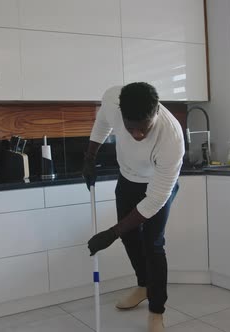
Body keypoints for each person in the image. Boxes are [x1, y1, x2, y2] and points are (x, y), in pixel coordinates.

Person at [83, 82, 184, 332]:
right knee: (129, 236)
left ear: (155, 114)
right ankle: (143, 285)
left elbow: (154, 200)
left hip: (156, 186)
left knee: (153, 243)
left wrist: (110, 233)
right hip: (127, 178)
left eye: (144, 129)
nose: (137, 135)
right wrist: (89, 157)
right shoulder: (111, 101)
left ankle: (156, 311)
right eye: (131, 129)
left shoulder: (171, 138)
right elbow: (103, 124)